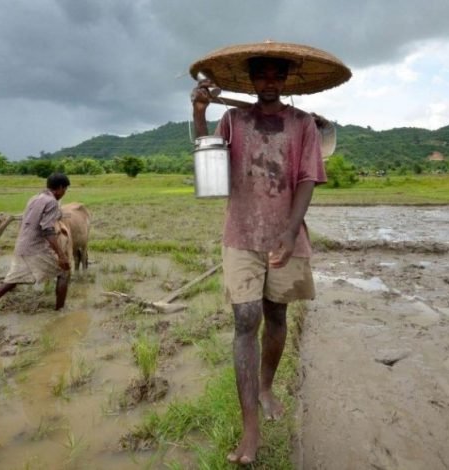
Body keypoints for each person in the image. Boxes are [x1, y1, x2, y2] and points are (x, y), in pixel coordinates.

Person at [191, 56, 327, 465]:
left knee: (276, 315)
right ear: (250, 79)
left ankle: (266, 386)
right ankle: (250, 426)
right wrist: (199, 114)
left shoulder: (303, 124)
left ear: (286, 79)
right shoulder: (233, 119)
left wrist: (288, 231)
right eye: (261, 74)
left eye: (277, 73)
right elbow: (207, 156)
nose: (269, 80)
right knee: (245, 318)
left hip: (285, 235)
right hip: (241, 234)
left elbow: (307, 179)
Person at [0, 172, 72, 319]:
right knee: (63, 272)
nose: (64, 193)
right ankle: (60, 313)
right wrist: (61, 256)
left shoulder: (35, 198)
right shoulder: (51, 202)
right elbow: (48, 230)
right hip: (35, 248)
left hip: (22, 246)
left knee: (10, 283)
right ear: (61, 188)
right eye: (65, 190)